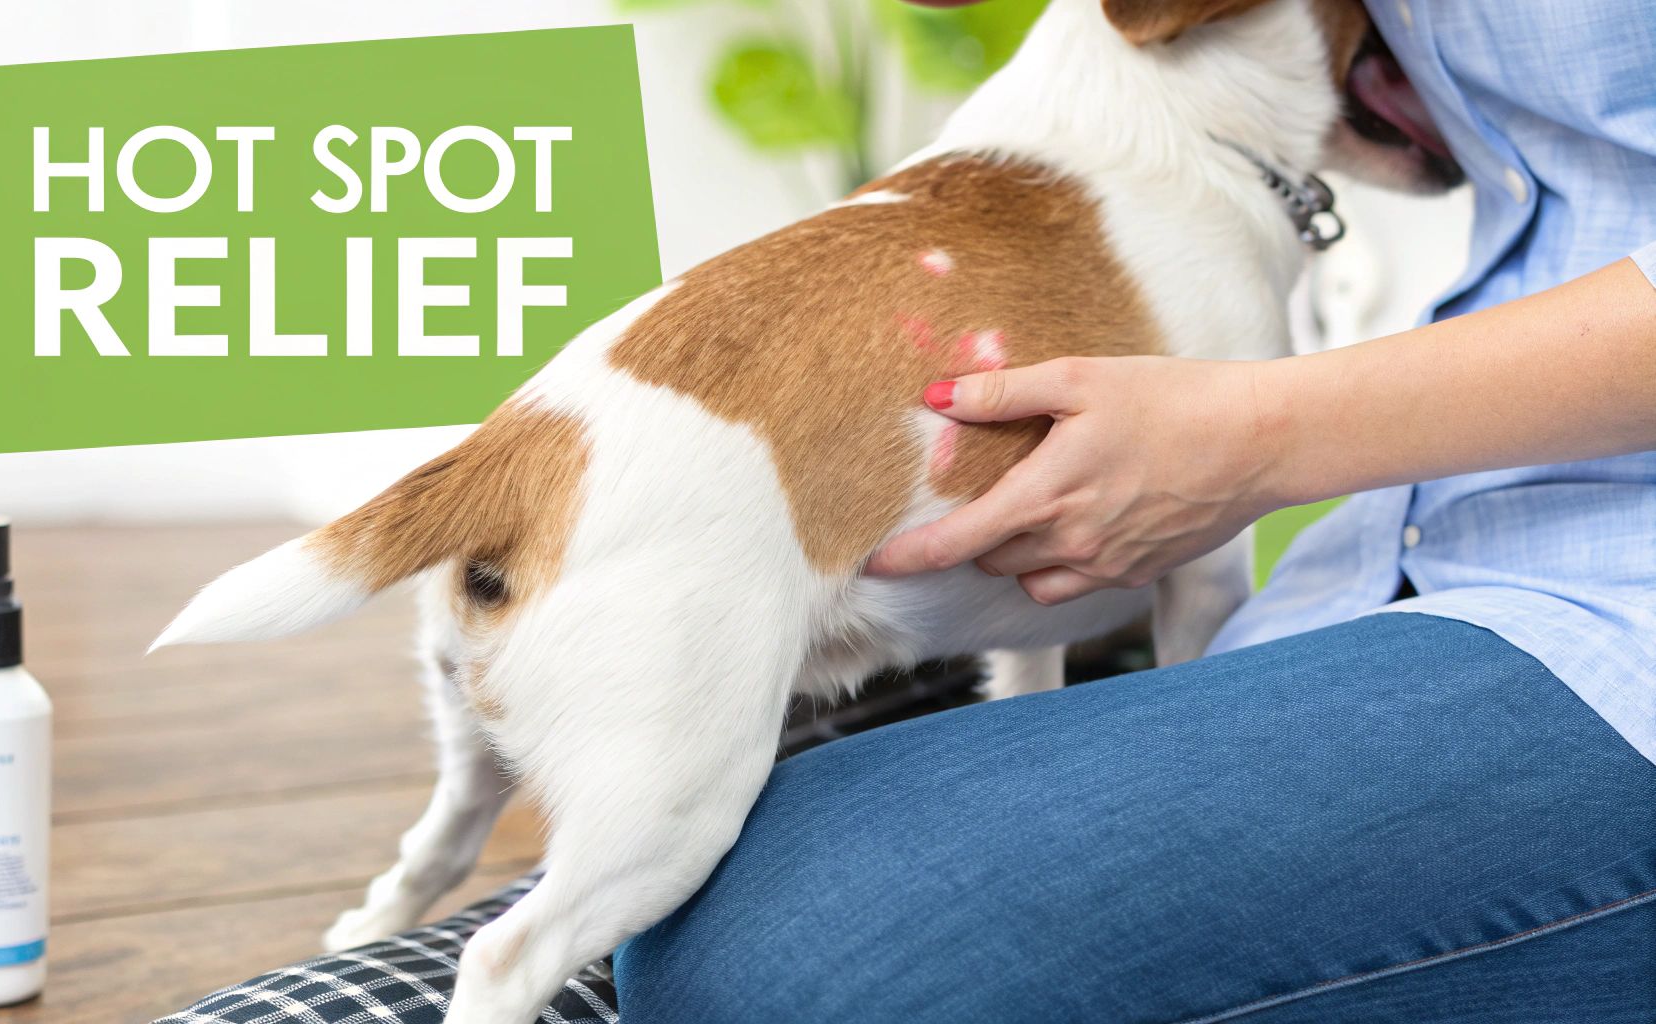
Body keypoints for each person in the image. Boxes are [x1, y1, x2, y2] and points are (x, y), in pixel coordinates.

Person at [614, 1, 1656, 1021]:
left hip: (1615, 621)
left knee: (787, 956)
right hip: (1416, 544)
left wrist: (1246, 438)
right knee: (694, 885)